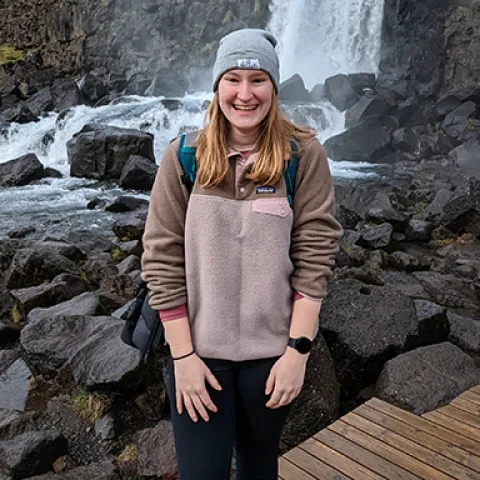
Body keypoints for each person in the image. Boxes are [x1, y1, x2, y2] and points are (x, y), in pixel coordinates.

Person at [141, 28, 342, 480]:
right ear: (217, 87)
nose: (245, 94)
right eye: (233, 79)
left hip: (271, 358)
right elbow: (161, 258)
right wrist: (183, 358)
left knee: (258, 466)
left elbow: (315, 257)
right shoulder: (183, 158)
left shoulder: (303, 156)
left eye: (257, 80)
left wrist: (298, 353)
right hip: (198, 356)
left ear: (274, 86)